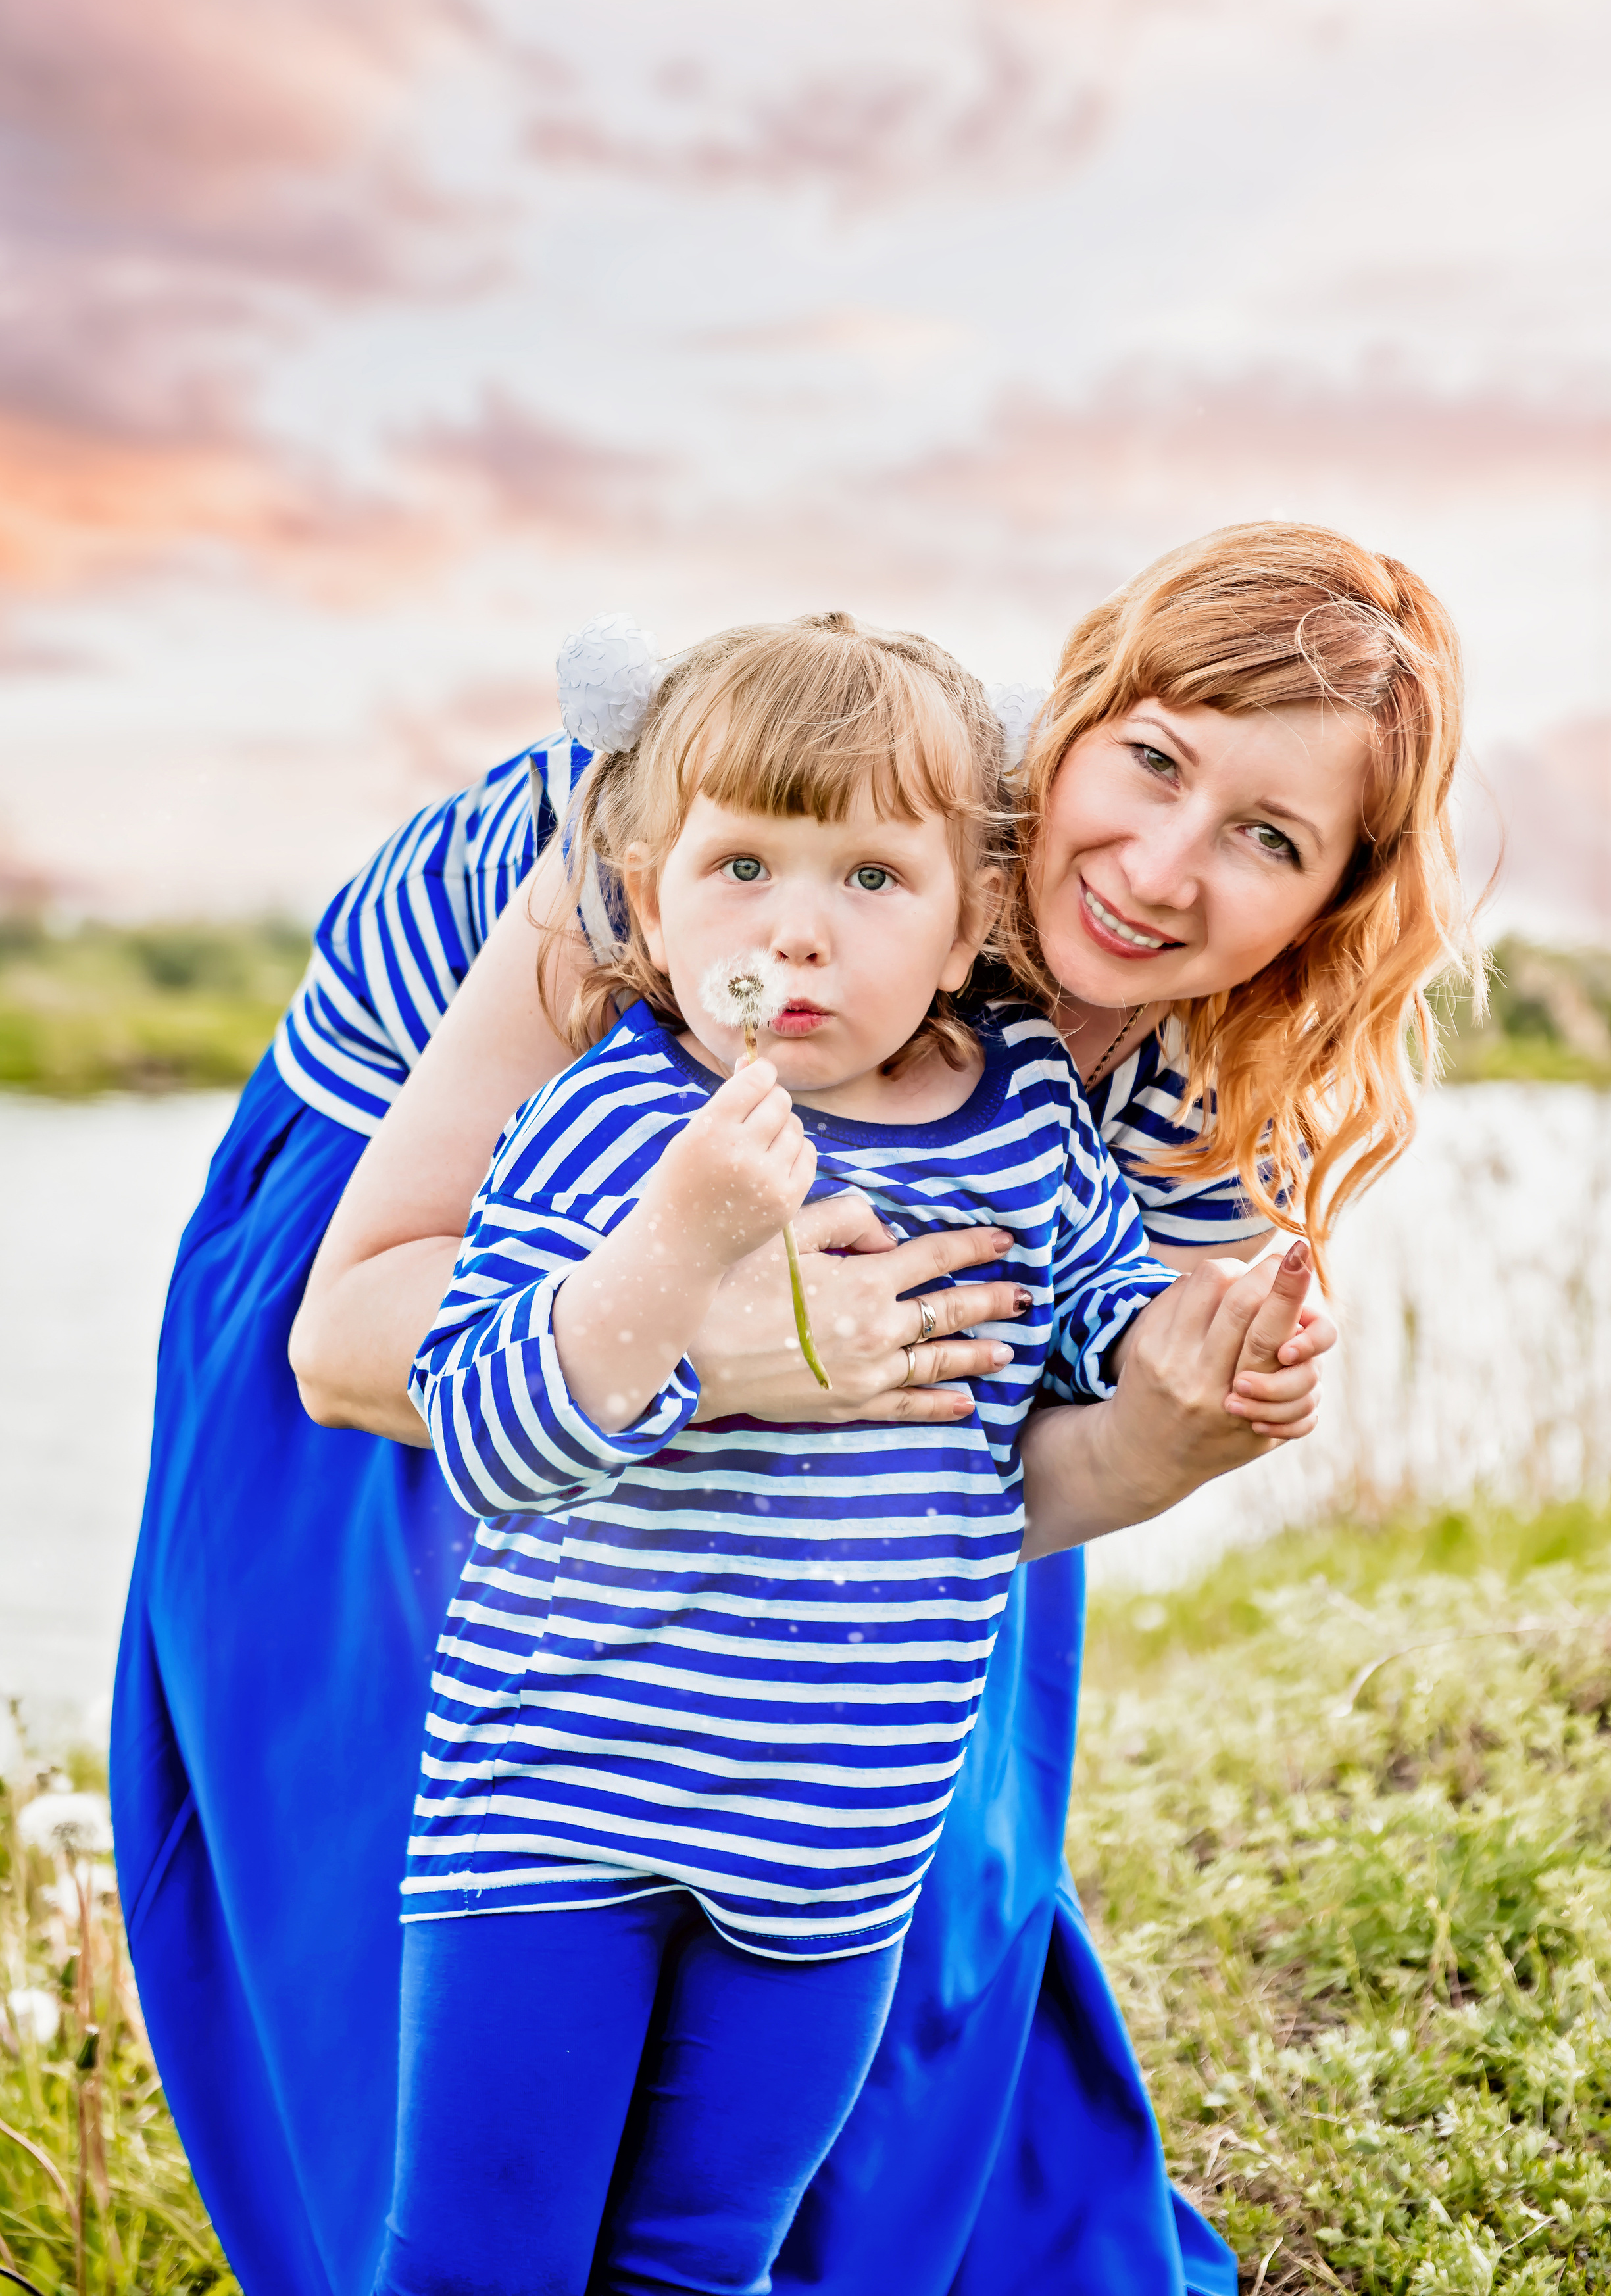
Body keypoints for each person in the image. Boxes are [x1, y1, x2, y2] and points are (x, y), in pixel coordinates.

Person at [111, 521, 1470, 2296]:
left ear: (1332, 900)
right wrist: (719, 1352)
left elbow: (1003, 1462)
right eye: (1148, 759)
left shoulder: (1210, 1087)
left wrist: (1174, 1422)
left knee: (888, 1890)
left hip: (877, 1467)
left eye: (1268, 838)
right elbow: (356, 1334)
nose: (1158, 864)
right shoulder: (722, 835)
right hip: (443, 1275)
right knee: (453, 1963)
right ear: (1071, 717)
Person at [376, 613, 1194, 2292]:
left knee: (705, 2256)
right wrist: (673, 1249)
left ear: (974, 911)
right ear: (646, 888)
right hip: (556, 1808)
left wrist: (1200, 1339)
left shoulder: (1024, 1110)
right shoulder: (616, 1117)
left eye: (870, 880)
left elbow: (1102, 1307)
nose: (794, 929)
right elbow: (478, 1432)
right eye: (739, 865)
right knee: (479, 2260)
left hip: (836, 1839)